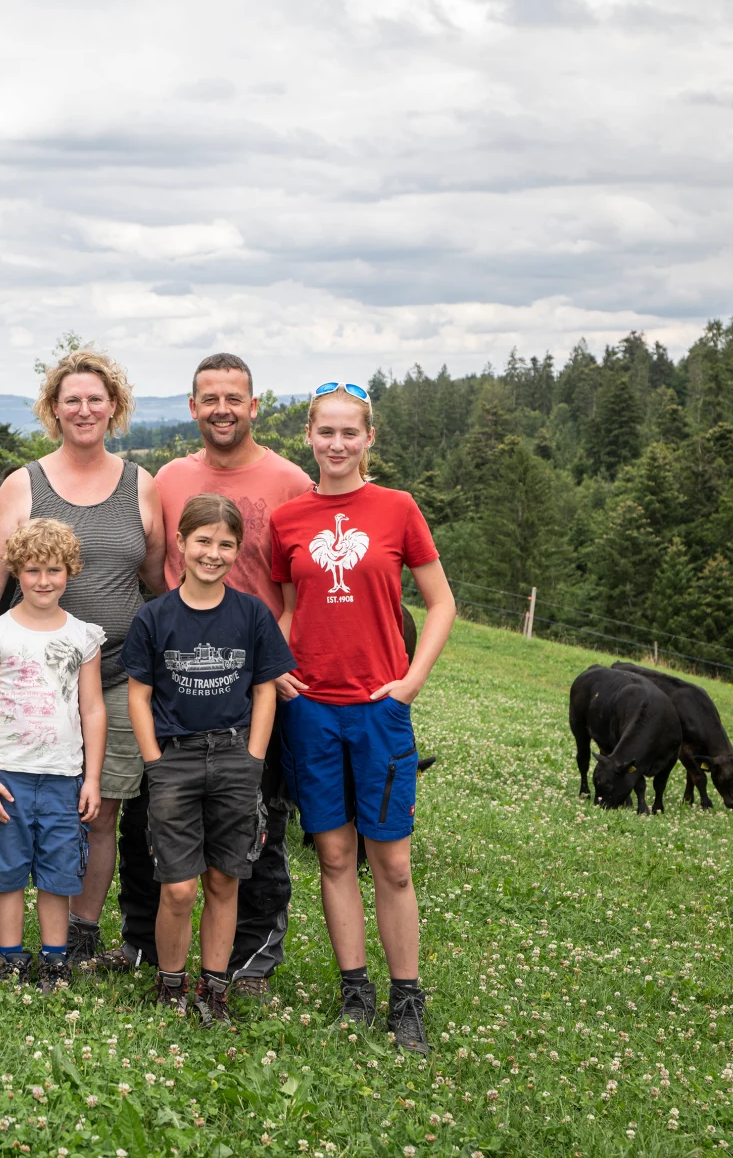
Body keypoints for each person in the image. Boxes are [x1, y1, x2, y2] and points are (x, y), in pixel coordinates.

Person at [267, 382, 455, 1055]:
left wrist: (410, 682)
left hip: (380, 709)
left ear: (369, 438)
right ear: (310, 437)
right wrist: (277, 662)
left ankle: (407, 997)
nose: (338, 445)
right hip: (311, 707)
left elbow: (441, 603)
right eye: (327, 433)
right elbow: (291, 606)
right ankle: (356, 991)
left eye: (351, 433)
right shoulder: (288, 519)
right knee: (334, 853)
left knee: (393, 861)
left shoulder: (398, 509)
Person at [117, 353, 314, 991]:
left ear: (254, 406)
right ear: (193, 405)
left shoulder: (289, 482)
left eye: (235, 397)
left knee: (257, 823)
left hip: (256, 682)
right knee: (151, 818)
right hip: (177, 686)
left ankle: (249, 957)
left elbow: (299, 582)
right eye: (210, 398)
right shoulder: (168, 478)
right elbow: (153, 567)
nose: (222, 409)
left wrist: (271, 658)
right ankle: (146, 943)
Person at [0, 350, 167, 969]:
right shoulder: (24, 484)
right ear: (53, 410)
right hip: (27, 676)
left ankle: (79, 931)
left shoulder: (143, 484)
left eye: (95, 399)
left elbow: (157, 581)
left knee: (99, 805)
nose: (84, 409)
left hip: (113, 677)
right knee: (11, 797)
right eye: (71, 399)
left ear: (115, 407)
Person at [124, 494, 294, 1023]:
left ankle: (214, 987)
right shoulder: (154, 617)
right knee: (176, 886)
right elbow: (138, 695)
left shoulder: (251, 614)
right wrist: (154, 760)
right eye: (203, 541)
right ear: (180, 544)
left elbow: (266, 690)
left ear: (237, 549)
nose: (213, 553)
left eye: (225, 544)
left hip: (234, 754)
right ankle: (170, 982)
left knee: (225, 878)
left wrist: (253, 757)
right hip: (175, 758)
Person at [0, 518, 107, 992]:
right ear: (15, 573)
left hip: (64, 775)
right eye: (31, 571)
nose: (43, 581)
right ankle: (10, 958)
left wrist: (92, 779)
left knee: (58, 872)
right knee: (5, 872)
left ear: (70, 571)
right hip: (7, 773)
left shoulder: (85, 636)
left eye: (53, 570)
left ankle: (55, 960)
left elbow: (92, 707)